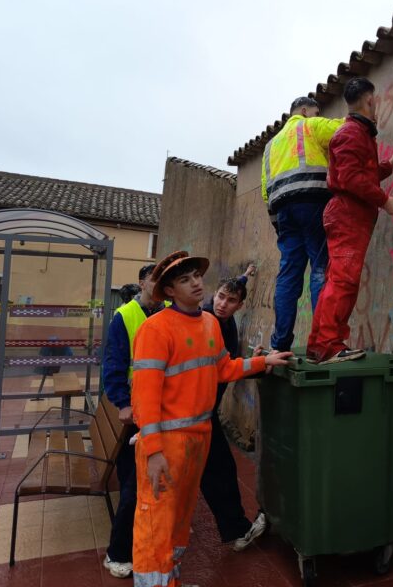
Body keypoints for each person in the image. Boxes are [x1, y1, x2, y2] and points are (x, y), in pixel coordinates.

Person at [131, 251, 291, 587]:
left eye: (197, 276)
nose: (196, 283)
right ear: (169, 291)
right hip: (167, 443)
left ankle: (170, 580)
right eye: (184, 279)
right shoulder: (155, 329)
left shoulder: (209, 324)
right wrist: (154, 450)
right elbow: (144, 397)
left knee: (179, 518)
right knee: (156, 522)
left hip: (199, 437)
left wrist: (262, 362)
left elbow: (223, 368)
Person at [306, 77, 393, 364]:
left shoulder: (358, 134)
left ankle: (320, 345)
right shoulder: (351, 134)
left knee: (338, 281)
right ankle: (329, 345)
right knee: (343, 282)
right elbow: (351, 178)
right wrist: (385, 201)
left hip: (351, 215)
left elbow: (361, 173)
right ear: (370, 101)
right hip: (348, 215)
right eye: (376, 101)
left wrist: (389, 165)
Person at [261, 96, 344, 352]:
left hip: (283, 212)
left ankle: (280, 344)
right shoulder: (310, 125)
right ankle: (322, 342)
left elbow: (265, 191)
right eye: (316, 112)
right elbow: (344, 128)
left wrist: (278, 225)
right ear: (305, 111)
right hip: (312, 202)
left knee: (288, 274)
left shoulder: (270, 147)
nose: (318, 116)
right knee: (320, 268)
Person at [198, 267, 268, 550]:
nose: (222, 304)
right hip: (196, 414)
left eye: (230, 300)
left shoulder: (225, 321)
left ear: (240, 305)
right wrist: (258, 364)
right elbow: (222, 370)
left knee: (216, 471)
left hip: (205, 411)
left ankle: (236, 529)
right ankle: (237, 530)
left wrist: (246, 275)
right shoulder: (205, 322)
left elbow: (228, 367)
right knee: (219, 471)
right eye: (220, 297)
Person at [102, 263, 162, 579]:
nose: (161, 284)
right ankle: (117, 552)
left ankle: (140, 541)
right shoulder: (125, 315)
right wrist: (122, 402)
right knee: (133, 484)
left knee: (143, 484)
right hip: (135, 411)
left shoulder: (168, 310)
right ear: (142, 283)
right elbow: (113, 363)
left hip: (159, 411)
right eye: (155, 278)